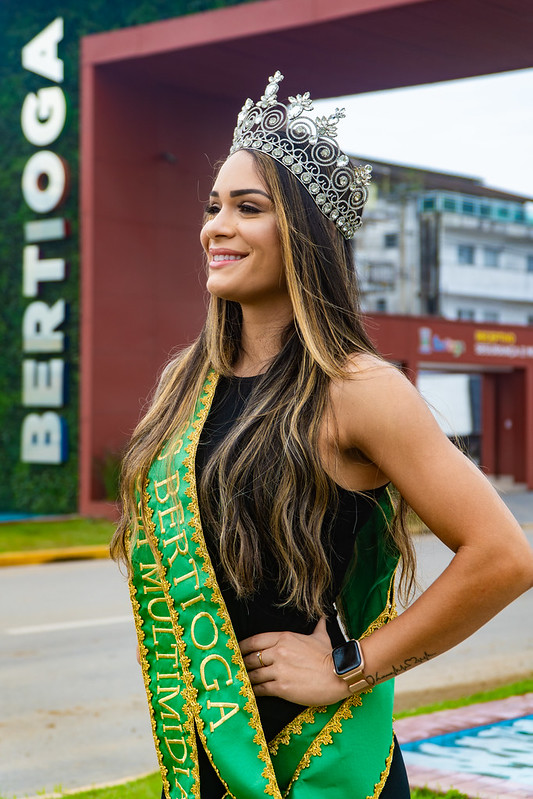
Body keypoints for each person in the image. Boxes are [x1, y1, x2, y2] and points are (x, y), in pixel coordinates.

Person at [111, 71, 533, 799]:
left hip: (322, 765)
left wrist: (350, 665)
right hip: (209, 760)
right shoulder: (188, 378)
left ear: (304, 232)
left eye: (248, 207)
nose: (216, 226)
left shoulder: (356, 388)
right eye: (213, 206)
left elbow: (502, 556)